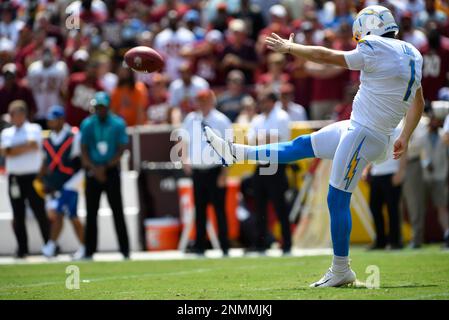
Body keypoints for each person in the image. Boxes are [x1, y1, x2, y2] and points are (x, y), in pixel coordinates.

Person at [204, 5, 425, 287]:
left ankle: (341, 269)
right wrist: (405, 134)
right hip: (363, 129)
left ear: (368, 27)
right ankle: (237, 152)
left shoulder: (375, 46)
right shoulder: (413, 54)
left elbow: (328, 56)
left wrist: (291, 47)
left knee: (336, 198)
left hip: (364, 133)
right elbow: (418, 101)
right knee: (300, 146)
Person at [180, 89, 231, 256]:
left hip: (215, 170)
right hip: (198, 170)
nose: (201, 103)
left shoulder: (221, 120)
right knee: (199, 210)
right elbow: (185, 140)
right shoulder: (191, 118)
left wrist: (224, 173)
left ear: (211, 100)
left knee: (219, 210)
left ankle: (224, 245)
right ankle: (200, 245)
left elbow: (228, 148)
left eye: (204, 100)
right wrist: (185, 159)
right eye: (199, 100)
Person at [80, 91, 130, 259]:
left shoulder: (117, 123)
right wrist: (94, 168)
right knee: (91, 212)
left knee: (118, 210)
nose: (100, 110)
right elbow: (84, 149)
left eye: (102, 107)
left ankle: (125, 250)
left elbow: (121, 148)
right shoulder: (87, 124)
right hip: (93, 171)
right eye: (97, 107)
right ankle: (89, 251)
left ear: (108, 107)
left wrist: (107, 166)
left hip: (111, 170)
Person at [0, 100, 50, 258]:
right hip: (15, 178)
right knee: (18, 214)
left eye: (16, 114)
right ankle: (22, 248)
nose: (14, 117)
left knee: (40, 211)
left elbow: (34, 145)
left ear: (23, 114)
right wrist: (22, 147)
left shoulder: (34, 128)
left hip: (33, 177)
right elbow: (3, 152)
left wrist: (12, 149)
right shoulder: (6, 132)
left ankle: (49, 245)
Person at [247, 90, 292, 254]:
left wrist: (263, 139)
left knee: (280, 206)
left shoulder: (281, 116)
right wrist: (266, 138)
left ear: (273, 101)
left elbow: (276, 139)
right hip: (261, 164)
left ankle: (287, 242)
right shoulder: (258, 119)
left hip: (276, 164)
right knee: (259, 206)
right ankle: (261, 243)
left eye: (265, 100)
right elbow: (252, 140)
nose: (262, 104)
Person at [38, 105, 85, 259]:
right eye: (50, 120)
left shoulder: (74, 136)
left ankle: (51, 247)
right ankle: (84, 247)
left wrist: (73, 183)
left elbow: (79, 163)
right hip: (54, 185)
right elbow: (45, 163)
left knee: (66, 215)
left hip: (71, 182)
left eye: (54, 119)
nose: (51, 123)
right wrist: (44, 181)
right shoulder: (46, 139)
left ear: (62, 119)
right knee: (67, 216)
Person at [362, 126, 407, 250]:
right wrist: (367, 169)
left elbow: (404, 150)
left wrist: (401, 171)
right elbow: (374, 152)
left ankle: (395, 241)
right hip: (377, 174)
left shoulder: (399, 129)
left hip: (392, 172)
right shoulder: (377, 128)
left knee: (392, 209)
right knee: (374, 207)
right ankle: (380, 241)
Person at [422, 111, 449, 248]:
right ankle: (418, 238)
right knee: (420, 208)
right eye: (432, 119)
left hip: (440, 176)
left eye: (436, 119)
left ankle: (447, 235)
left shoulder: (444, 136)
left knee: (441, 207)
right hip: (424, 177)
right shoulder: (422, 135)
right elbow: (418, 153)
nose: (433, 121)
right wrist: (426, 163)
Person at [27, 46, 68, 129]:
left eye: (49, 54)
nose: (47, 56)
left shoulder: (60, 68)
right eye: (45, 53)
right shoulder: (33, 69)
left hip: (55, 111)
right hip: (38, 111)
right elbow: (29, 90)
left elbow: (64, 90)